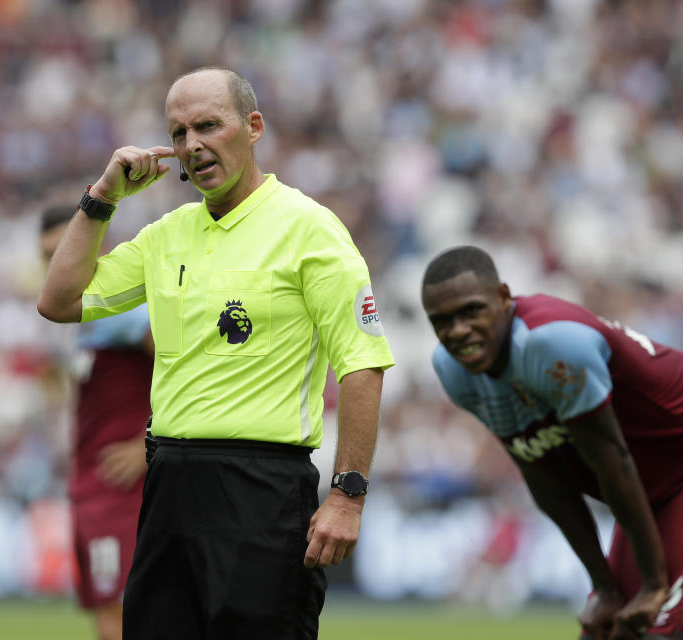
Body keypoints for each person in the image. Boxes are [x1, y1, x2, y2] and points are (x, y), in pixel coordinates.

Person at [37, 67, 395, 639]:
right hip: (169, 485)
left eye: (208, 125)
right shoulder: (166, 233)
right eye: (178, 134)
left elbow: (362, 364)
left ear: (253, 127)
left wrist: (347, 496)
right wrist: (103, 197)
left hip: (263, 489)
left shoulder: (309, 229)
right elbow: (59, 299)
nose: (192, 145)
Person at [421, 245, 683, 640]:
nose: (457, 330)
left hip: (669, 471)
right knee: (605, 632)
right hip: (656, 490)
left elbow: (615, 462)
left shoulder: (553, 345)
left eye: (471, 311)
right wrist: (606, 588)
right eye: (441, 321)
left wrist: (652, 584)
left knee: (657, 632)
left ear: (505, 299)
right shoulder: (454, 372)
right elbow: (544, 475)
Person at [40, 205, 153, 640]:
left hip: (121, 487)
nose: (54, 262)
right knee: (107, 610)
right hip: (92, 481)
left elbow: (186, 371)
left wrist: (149, 443)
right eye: (46, 254)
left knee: (119, 614)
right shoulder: (75, 320)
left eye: (62, 249)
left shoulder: (122, 312)